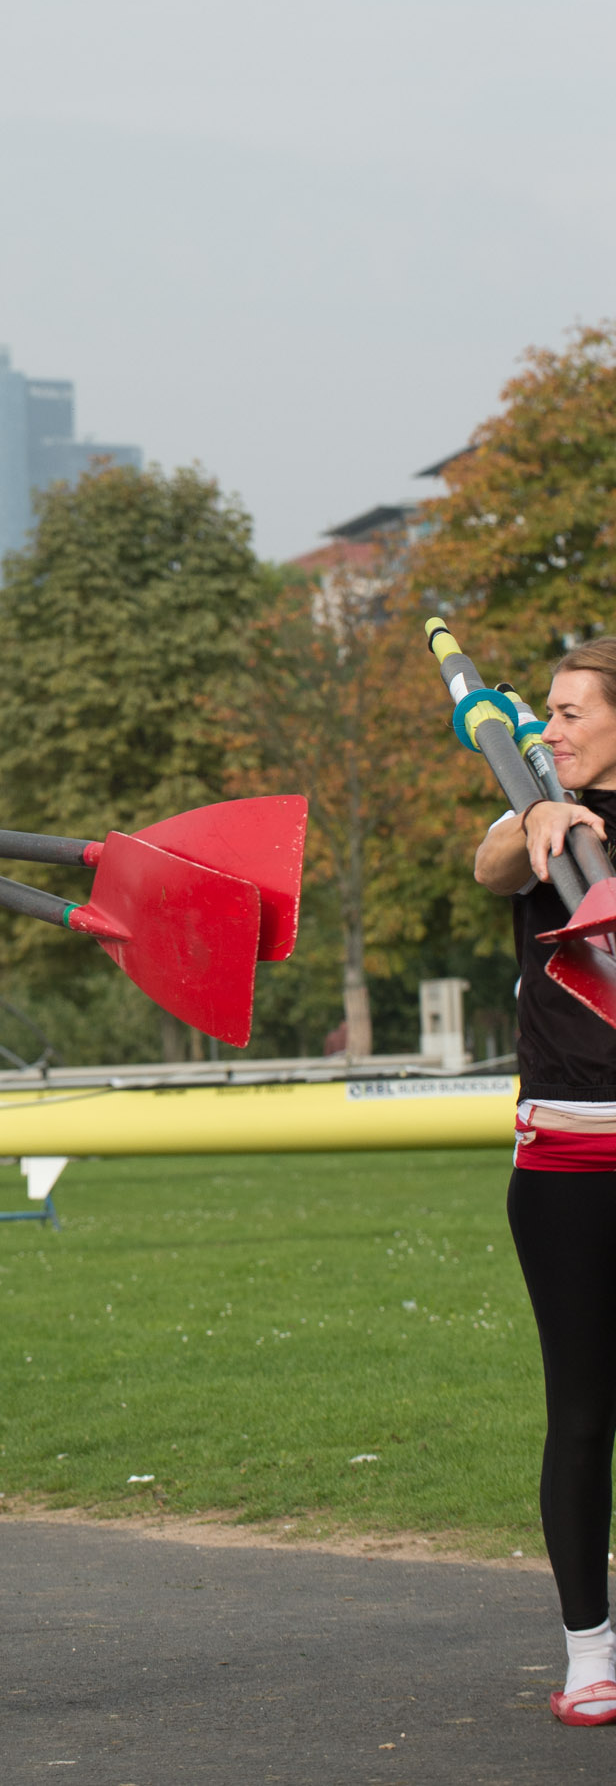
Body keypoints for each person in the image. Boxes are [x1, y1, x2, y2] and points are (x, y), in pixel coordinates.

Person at [475, 638, 616, 1727]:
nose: (548, 730)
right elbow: (483, 867)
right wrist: (529, 820)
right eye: (547, 713)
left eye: (570, 714)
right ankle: (587, 1651)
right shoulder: (532, 822)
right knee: (580, 1413)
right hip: (564, 1162)